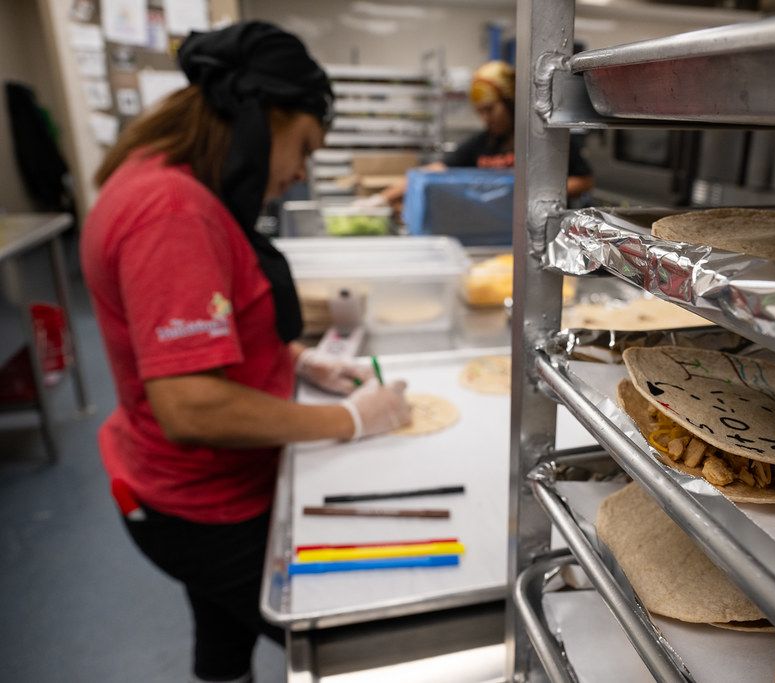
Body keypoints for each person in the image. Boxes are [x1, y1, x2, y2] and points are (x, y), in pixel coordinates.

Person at [79, 21, 411, 683]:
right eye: (304, 147)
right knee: (364, 645)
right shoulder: (170, 210)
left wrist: (295, 359)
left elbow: (206, 318)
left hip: (174, 485)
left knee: (222, 635)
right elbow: (191, 404)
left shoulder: (166, 179)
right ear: (264, 117)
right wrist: (352, 419)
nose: (297, 174)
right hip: (207, 505)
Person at [364, 60, 594, 212]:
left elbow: (584, 181)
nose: (485, 119)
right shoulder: (482, 143)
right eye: (480, 112)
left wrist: (528, 192)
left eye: (490, 109)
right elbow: (435, 170)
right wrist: (381, 198)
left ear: (510, 101)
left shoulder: (546, 140)